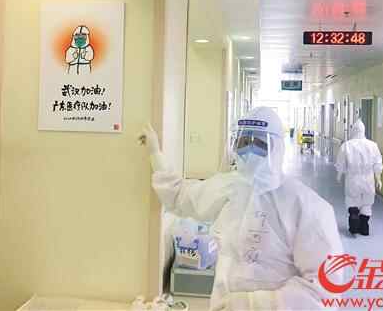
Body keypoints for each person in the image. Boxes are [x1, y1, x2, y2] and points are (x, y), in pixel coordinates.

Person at [141, 107, 343, 311]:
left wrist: (253, 304)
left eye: (260, 144)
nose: (249, 151)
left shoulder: (307, 207)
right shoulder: (229, 187)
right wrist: (155, 154)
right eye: (244, 142)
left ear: (277, 149)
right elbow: (181, 197)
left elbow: (326, 289)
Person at [335, 119, 383, 236]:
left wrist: (339, 175)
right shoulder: (373, 145)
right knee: (367, 203)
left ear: (353, 130)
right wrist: (378, 179)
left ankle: (354, 222)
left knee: (352, 200)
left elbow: (340, 164)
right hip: (368, 180)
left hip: (353, 179)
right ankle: (364, 227)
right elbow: (377, 164)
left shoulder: (347, 145)